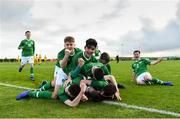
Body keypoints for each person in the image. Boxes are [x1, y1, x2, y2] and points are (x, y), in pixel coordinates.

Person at [16, 82, 87, 107]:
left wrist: (82, 91)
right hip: (59, 83)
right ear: (69, 94)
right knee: (53, 95)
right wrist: (82, 93)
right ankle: (29, 93)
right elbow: (72, 104)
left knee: (54, 83)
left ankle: (45, 84)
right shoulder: (61, 93)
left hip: (63, 81)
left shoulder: (75, 82)